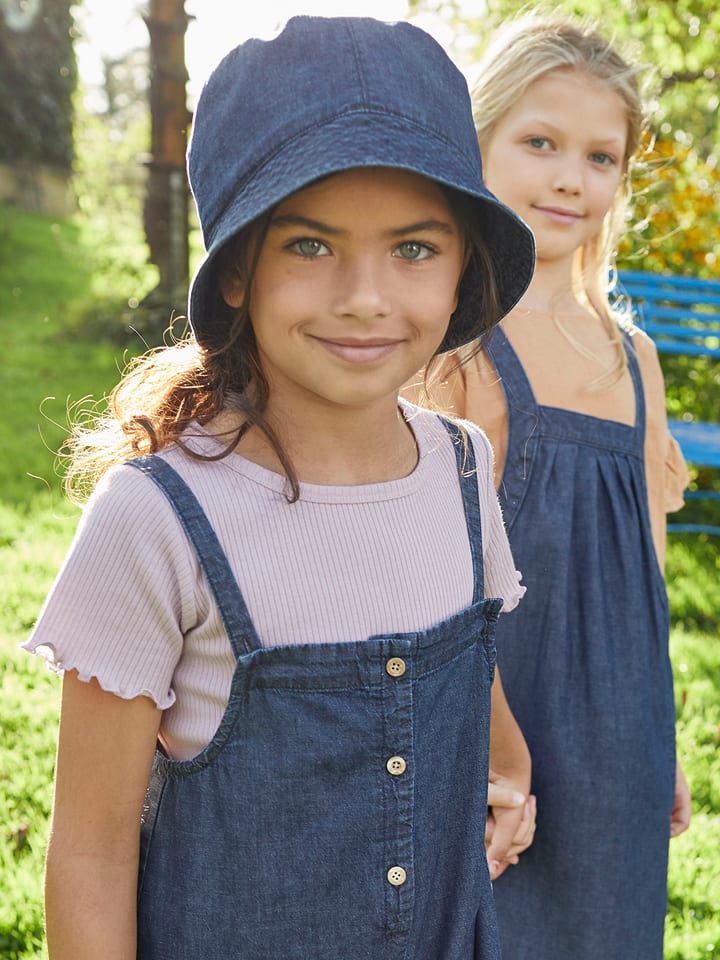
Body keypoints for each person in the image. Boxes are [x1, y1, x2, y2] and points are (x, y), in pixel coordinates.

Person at [24, 16, 538, 960]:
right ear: (234, 274)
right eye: (310, 246)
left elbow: (475, 649)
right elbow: (92, 855)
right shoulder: (159, 519)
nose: (366, 297)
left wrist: (508, 762)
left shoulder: (466, 472)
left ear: (465, 262)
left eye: (415, 249)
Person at [413, 12, 692, 959]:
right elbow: (422, 568)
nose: (571, 177)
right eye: (540, 144)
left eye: (601, 156)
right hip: (492, 716)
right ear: (479, 144)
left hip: (618, 731)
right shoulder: (448, 341)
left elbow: (648, 571)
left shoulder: (636, 358)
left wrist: (666, 735)